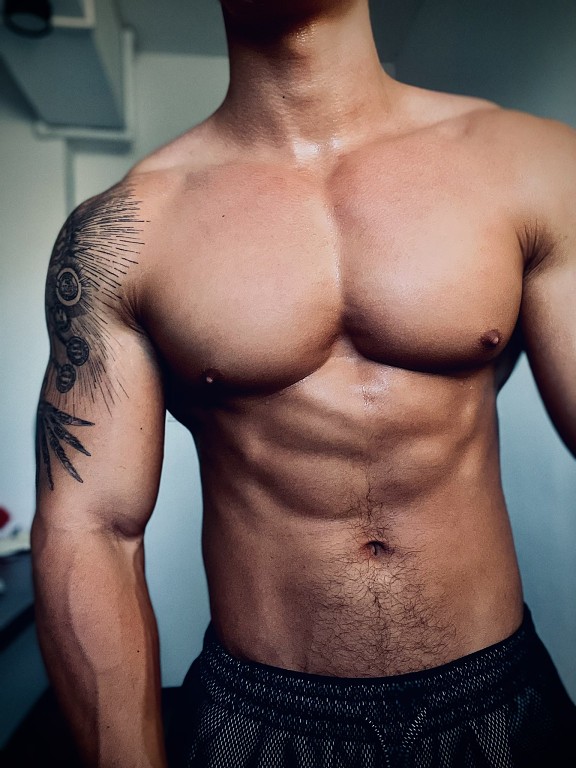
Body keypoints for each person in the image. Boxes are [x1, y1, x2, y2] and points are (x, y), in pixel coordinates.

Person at [32, 0, 576, 766]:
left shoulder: (532, 165)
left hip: (501, 707)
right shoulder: (124, 233)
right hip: (260, 722)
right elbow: (90, 527)